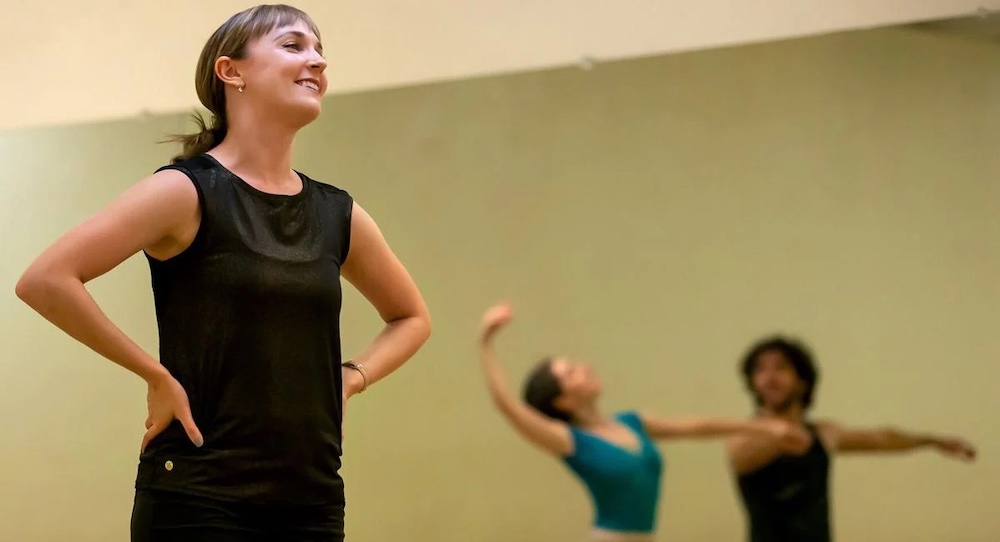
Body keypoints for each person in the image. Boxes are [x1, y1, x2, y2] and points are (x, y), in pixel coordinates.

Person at [14, 5, 431, 541]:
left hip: (312, 500)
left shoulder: (338, 214)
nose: (317, 60)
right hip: (198, 497)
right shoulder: (184, 192)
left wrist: (351, 379)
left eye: (320, 49)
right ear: (231, 72)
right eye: (293, 45)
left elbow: (412, 317)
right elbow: (46, 280)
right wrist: (154, 374)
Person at [477, 302, 811, 542]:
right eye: (571, 372)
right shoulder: (567, 439)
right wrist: (486, 342)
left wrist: (763, 427)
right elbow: (506, 405)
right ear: (562, 400)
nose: (585, 367)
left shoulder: (632, 423)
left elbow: (696, 426)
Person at [727, 335, 977, 542]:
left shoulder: (822, 434)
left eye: (780, 367)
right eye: (760, 370)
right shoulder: (745, 434)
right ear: (753, 383)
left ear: (802, 381)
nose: (770, 377)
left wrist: (931, 441)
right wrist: (781, 434)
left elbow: (882, 438)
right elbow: (740, 457)